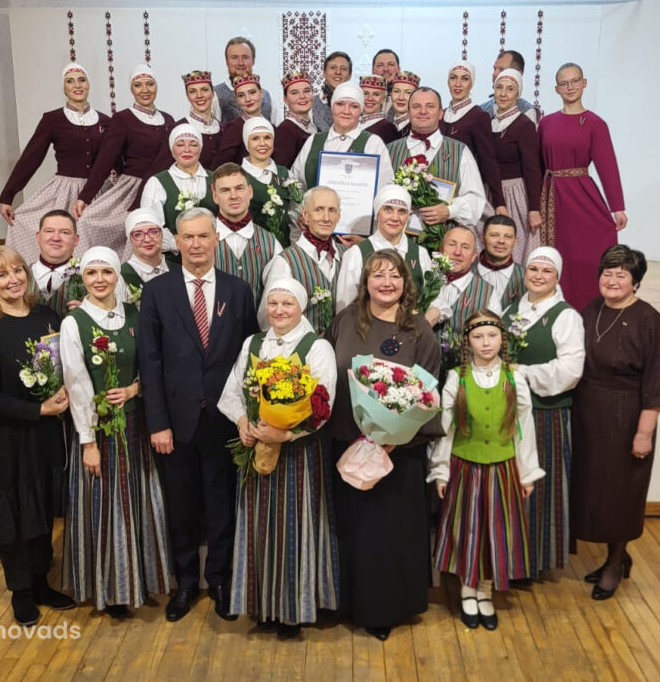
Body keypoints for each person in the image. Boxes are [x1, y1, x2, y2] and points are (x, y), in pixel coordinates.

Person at [137, 207, 259, 622]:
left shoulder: (238, 290)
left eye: (203, 236)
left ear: (216, 239)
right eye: (187, 237)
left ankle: (221, 581)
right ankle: (186, 583)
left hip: (226, 420)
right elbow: (150, 361)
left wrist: (247, 417)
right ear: (176, 241)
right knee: (182, 506)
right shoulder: (158, 291)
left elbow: (248, 357)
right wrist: (158, 423)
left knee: (222, 504)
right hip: (176, 422)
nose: (195, 244)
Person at [326, 249, 443, 641]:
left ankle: (385, 609)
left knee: (387, 534)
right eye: (378, 275)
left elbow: (427, 391)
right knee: (353, 529)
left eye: (394, 275)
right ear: (366, 282)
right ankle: (347, 602)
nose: (386, 282)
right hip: (348, 447)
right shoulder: (345, 321)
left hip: (399, 454)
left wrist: (393, 437)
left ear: (406, 282)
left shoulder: (418, 329)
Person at [218, 278, 340, 639]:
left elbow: (323, 404)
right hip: (257, 449)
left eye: (288, 304)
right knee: (258, 528)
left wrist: (286, 435)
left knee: (294, 526)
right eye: (273, 304)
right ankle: (263, 606)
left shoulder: (316, 347)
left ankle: (293, 611)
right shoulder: (253, 343)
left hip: (299, 455)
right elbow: (232, 391)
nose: (279, 311)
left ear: (301, 307)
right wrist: (242, 422)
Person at [59, 246, 174, 618]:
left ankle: (141, 579)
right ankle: (112, 588)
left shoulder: (134, 314)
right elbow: (77, 385)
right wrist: (88, 442)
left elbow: (151, 365)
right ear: (83, 279)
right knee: (107, 505)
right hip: (99, 430)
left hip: (135, 426)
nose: (99, 280)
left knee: (138, 500)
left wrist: (134, 389)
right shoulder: (74, 323)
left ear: (116, 276)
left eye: (106, 272)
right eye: (92, 274)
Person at [0, 246, 73, 626]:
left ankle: (41, 582)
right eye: (1, 274)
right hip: (6, 439)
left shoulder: (46, 316)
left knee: (40, 508)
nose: (13, 280)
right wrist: (38, 410)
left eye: (17, 270)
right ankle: (21, 591)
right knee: (12, 516)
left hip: (43, 435)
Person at [429, 310, 542, 630]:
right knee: (468, 529)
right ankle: (467, 589)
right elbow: (446, 429)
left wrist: (527, 472)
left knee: (496, 530)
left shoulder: (514, 378)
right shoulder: (457, 378)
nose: (486, 342)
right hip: (466, 466)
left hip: (503, 468)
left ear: (502, 338)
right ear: (467, 342)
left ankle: (485, 591)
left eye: (492, 336)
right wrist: (441, 470)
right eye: (478, 337)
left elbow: (524, 428)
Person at [571, 245, 660, 601]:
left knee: (621, 493)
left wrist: (644, 433)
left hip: (626, 417)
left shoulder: (649, 320)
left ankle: (615, 561)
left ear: (636, 282)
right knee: (593, 489)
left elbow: (656, 383)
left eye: (621, 275)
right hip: (588, 414)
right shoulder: (591, 309)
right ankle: (616, 555)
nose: (612, 280)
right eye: (607, 273)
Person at [503, 247, 584, 579]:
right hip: (509, 411)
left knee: (540, 486)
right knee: (510, 483)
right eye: (533, 269)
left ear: (557, 277)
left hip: (545, 413)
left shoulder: (566, 317)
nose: (538, 276)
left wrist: (522, 373)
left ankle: (535, 560)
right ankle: (508, 557)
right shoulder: (511, 310)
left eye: (546, 271)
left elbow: (571, 370)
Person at [1, 63, 110, 263]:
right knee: (50, 229)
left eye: (82, 80)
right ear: (64, 88)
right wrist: (8, 195)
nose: (77, 85)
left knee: (93, 234)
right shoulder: (53, 119)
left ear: (88, 85)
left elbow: (113, 159)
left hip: (99, 191)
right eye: (70, 81)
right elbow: (31, 158)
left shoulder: (105, 120)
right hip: (65, 190)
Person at [540, 63, 627, 309]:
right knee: (562, 253)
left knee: (585, 253)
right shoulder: (546, 122)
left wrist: (617, 207)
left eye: (575, 81)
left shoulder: (595, 123)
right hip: (552, 195)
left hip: (581, 194)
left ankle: (588, 306)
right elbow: (537, 164)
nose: (570, 87)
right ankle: (557, 306)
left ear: (584, 83)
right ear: (556, 89)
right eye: (564, 83)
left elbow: (607, 165)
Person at [74, 65, 176, 224]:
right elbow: (106, 160)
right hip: (134, 188)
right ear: (131, 89)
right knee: (91, 223)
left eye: (150, 84)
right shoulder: (123, 119)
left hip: (164, 185)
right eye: (138, 85)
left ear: (156, 86)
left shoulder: (168, 120)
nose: (145, 90)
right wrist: (85, 197)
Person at [388, 87, 487, 248]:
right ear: (408, 112)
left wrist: (449, 211)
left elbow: (475, 199)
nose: (423, 111)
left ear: (441, 113)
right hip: (397, 245)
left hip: (444, 246)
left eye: (430, 106)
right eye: (416, 106)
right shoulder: (390, 150)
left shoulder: (460, 151)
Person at [292, 82, 395, 217]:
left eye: (354, 106)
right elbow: (296, 184)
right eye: (340, 104)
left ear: (361, 110)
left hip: (357, 225)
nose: (346, 111)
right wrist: (301, 215)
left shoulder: (373, 143)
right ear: (332, 107)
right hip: (315, 225)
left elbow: (385, 190)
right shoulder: (314, 141)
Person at [334, 185, 433, 315]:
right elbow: (345, 307)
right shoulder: (357, 254)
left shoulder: (420, 254)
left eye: (402, 211)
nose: (395, 218)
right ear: (377, 213)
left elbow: (431, 300)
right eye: (388, 210)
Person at [262, 185, 342, 334]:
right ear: (305, 214)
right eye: (318, 210)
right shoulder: (285, 262)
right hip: (301, 347)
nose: (326, 218)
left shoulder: (346, 255)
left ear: (339, 215)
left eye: (332, 210)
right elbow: (267, 320)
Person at [209, 162, 283, 305]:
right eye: (225, 190)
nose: (233, 196)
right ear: (215, 196)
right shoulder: (201, 241)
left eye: (239, 188)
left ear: (250, 192)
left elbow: (278, 294)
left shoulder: (271, 243)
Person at [491, 68, 543, 261]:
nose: (503, 94)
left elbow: (532, 168)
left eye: (510, 89)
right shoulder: (489, 123)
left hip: (514, 193)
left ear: (518, 94)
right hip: (492, 191)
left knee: (514, 247)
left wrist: (534, 209)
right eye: (499, 88)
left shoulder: (524, 125)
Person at [439, 62, 505, 216]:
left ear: (472, 83)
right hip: (439, 189)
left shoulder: (478, 116)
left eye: (464, 79)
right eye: (453, 78)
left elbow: (488, 160)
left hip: (465, 191)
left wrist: (499, 202)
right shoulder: (441, 115)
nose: (458, 84)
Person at [429, 227, 504, 361]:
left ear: (474, 256)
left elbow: (493, 341)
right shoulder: (425, 281)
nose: (457, 252)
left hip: (464, 368)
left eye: (465, 247)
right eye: (452, 244)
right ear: (441, 249)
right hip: (421, 366)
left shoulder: (488, 292)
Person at [139, 124, 216, 243]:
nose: (187, 149)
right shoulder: (157, 183)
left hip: (214, 251)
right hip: (173, 253)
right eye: (180, 145)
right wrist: (180, 245)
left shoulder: (216, 179)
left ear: (200, 149)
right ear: (172, 150)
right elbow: (150, 226)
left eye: (193, 144)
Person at [239, 117, 296, 245]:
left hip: (284, 247)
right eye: (255, 138)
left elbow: (295, 213)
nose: (262, 143)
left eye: (267, 138)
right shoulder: (238, 176)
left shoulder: (285, 174)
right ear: (246, 142)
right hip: (252, 247)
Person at [118, 207, 177, 305]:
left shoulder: (180, 271)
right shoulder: (120, 277)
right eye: (138, 234)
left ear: (162, 234)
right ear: (130, 239)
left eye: (153, 232)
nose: (147, 239)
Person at [29, 209, 81, 318]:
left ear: (76, 240)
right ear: (38, 236)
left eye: (65, 232)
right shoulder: (20, 276)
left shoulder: (89, 277)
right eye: (49, 231)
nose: (56, 238)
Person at [214, 36, 274, 124]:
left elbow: (277, 130)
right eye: (234, 57)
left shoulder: (267, 96)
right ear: (227, 61)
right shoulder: (215, 95)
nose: (240, 63)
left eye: (245, 57)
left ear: (253, 60)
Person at [177, 70, 224, 171]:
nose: (199, 95)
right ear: (188, 96)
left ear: (213, 93)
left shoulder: (223, 129)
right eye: (193, 91)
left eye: (204, 90)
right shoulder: (178, 129)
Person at [215, 74, 266, 166]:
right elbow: (221, 166)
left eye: (252, 92)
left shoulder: (269, 125)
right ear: (237, 100)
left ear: (261, 93)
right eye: (241, 95)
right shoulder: (235, 128)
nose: (248, 99)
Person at [476, 215, 525, 308]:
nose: (501, 241)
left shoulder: (527, 276)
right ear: (482, 238)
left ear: (515, 241)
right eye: (494, 235)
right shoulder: (467, 273)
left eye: (508, 236)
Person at [273, 70, 317, 168]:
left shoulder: (314, 127)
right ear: (285, 99)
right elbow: (280, 170)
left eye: (307, 91)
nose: (302, 96)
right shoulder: (285, 130)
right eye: (294, 93)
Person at [479, 50, 535, 117]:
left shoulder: (527, 112)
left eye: (502, 70)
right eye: (494, 69)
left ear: (518, 74)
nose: (494, 74)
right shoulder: (481, 110)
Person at [312, 51, 353, 131]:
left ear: (350, 76)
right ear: (324, 73)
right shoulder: (311, 103)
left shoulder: (357, 105)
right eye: (333, 67)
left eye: (343, 69)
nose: (338, 72)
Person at [358, 75, 400, 144]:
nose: (370, 98)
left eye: (376, 94)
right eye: (365, 93)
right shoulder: (352, 123)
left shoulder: (388, 128)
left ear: (383, 99)